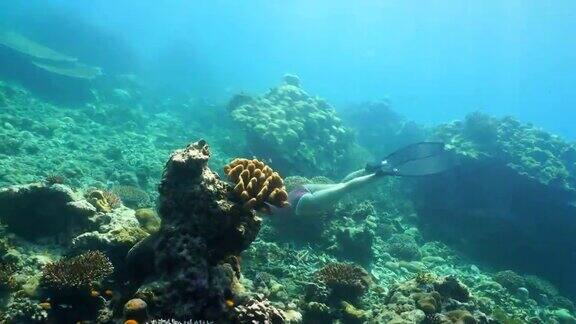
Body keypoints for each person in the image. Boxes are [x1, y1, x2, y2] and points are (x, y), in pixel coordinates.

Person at [270, 142, 456, 217]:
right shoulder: (257, 196)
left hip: (300, 205)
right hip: (297, 192)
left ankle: (379, 173)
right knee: (342, 184)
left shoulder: (254, 211)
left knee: (346, 187)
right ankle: (371, 169)